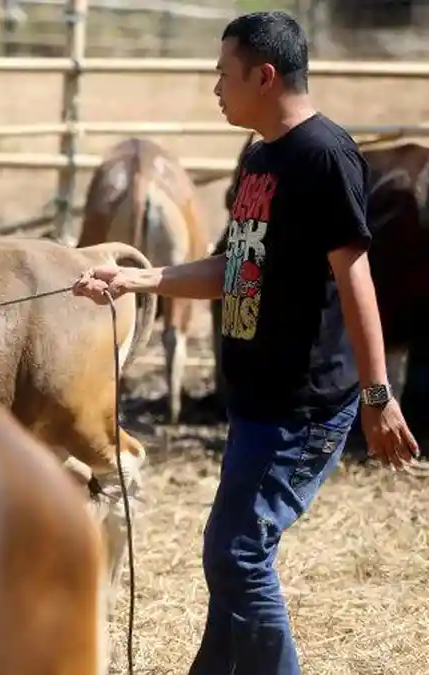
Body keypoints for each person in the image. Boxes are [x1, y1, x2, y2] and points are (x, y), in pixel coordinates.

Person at [71, 10, 420, 675]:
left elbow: (356, 278)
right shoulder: (259, 158)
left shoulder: (323, 155)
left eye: (223, 75)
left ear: (265, 75)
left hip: (303, 402)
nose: (215, 88)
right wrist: (138, 278)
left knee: (237, 552)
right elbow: (232, 266)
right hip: (257, 399)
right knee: (229, 550)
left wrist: (378, 394)